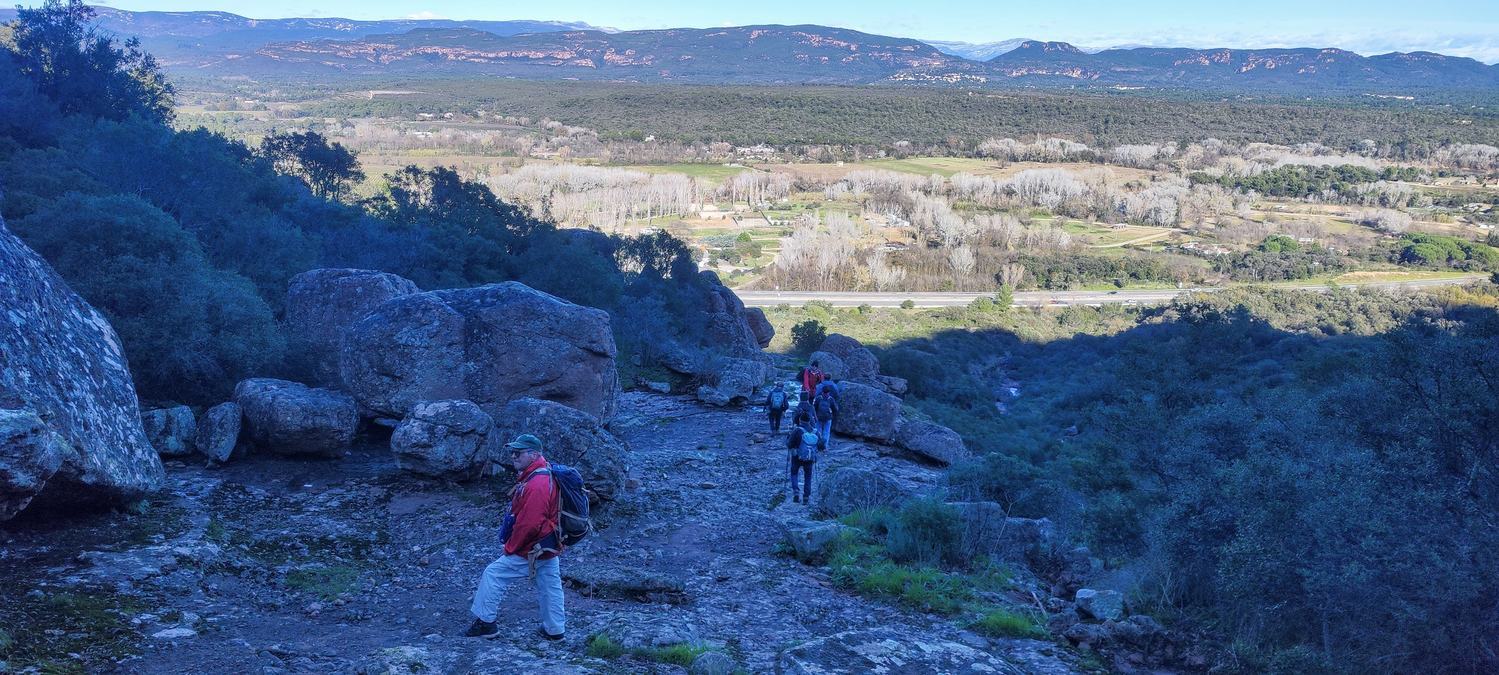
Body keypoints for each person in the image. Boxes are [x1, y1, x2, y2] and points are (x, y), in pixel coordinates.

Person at [465, 434, 567, 641]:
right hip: (549, 542)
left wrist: (513, 547)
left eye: (518, 452)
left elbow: (529, 523)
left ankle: (486, 624)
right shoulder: (543, 474)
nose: (513, 456)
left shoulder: (537, 482)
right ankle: (555, 630)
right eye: (512, 452)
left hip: (533, 546)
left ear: (534, 454)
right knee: (550, 585)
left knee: (493, 574)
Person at [786, 418, 819, 505]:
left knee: (794, 473)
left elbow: (789, 444)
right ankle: (806, 496)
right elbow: (822, 444)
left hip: (797, 457)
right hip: (810, 458)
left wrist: (788, 438)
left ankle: (796, 492)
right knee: (808, 477)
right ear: (809, 421)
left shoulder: (797, 430)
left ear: (800, 420)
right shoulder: (815, 432)